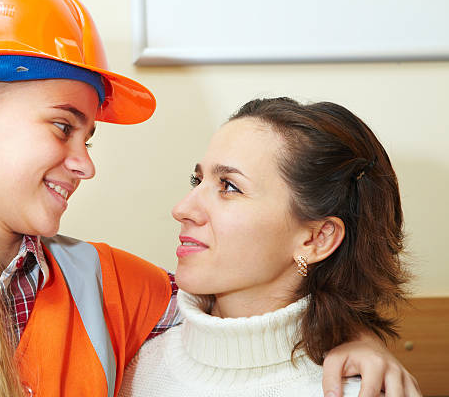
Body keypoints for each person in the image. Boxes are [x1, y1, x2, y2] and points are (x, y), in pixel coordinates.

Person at [0, 0, 418, 395]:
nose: (85, 165)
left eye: (89, 138)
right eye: (63, 126)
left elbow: (254, 308)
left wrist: (356, 340)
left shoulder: (107, 282)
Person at [119, 97, 421, 397]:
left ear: (317, 239)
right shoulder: (127, 354)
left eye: (229, 186)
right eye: (196, 180)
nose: (182, 208)